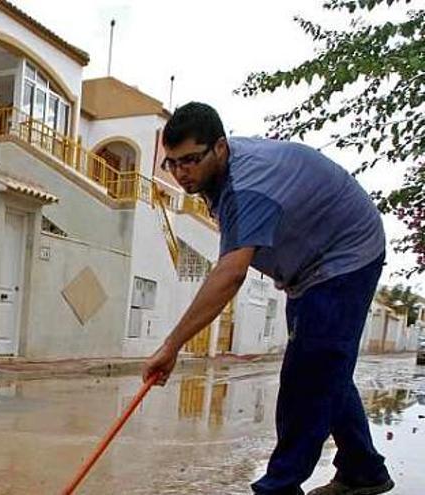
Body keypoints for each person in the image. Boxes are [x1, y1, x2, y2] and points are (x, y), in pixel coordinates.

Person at [142, 102, 393, 495]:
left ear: (220, 148)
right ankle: (363, 470)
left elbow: (230, 274)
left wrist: (171, 346)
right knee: (326, 368)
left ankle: (280, 486)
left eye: (189, 160)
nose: (180, 172)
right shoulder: (219, 178)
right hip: (309, 271)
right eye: (171, 164)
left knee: (307, 376)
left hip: (345, 256)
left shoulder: (247, 186)